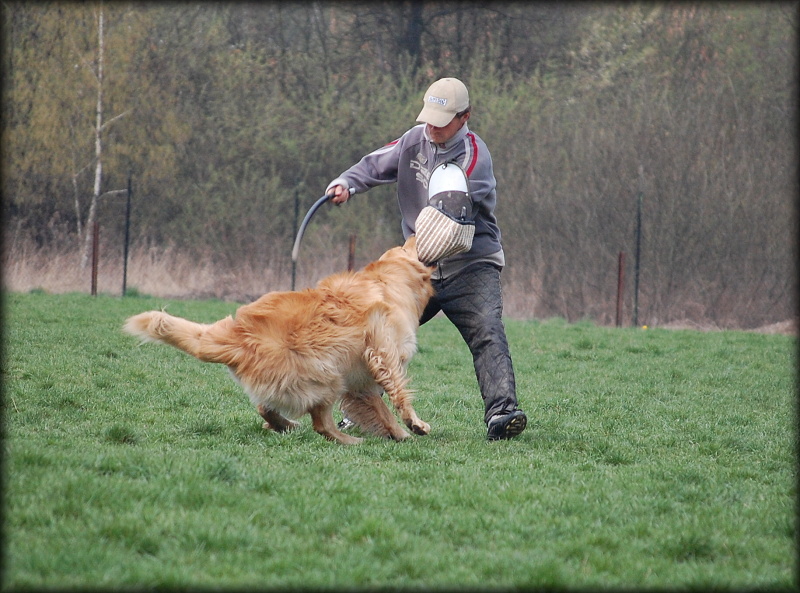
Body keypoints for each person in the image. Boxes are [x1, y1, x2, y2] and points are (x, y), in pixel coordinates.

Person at [326, 77, 527, 441]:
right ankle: (360, 412)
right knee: (375, 332)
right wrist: (347, 183)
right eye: (429, 117)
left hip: (472, 265)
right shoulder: (413, 141)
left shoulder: (474, 157)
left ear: (465, 117)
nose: (432, 126)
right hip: (419, 270)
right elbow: (374, 165)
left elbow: (451, 210)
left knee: (486, 331)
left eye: (443, 119)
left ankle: (502, 414)